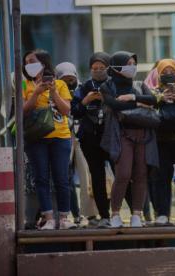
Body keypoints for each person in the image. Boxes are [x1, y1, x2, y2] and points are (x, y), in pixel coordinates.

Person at [100, 51, 159, 228]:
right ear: (117, 66)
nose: (132, 67)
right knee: (123, 174)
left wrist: (133, 97)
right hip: (121, 135)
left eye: (134, 63)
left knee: (141, 174)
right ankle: (115, 213)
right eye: (128, 63)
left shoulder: (140, 85)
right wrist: (139, 104)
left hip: (143, 135)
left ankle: (137, 214)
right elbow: (114, 104)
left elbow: (153, 100)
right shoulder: (107, 86)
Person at [22, 49, 77, 230]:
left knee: (62, 178)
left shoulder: (60, 84)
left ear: (43, 64)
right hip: (36, 138)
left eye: (32, 61)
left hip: (60, 137)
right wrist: (36, 93)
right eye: (26, 62)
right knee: (41, 178)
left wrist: (53, 92)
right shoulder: (24, 85)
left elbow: (66, 110)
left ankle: (64, 218)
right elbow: (23, 110)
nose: (28, 65)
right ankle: (48, 218)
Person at [71, 52, 113, 228]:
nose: (98, 71)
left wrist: (107, 99)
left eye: (102, 68)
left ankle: (128, 213)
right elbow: (74, 112)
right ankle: (104, 215)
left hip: (112, 137)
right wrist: (86, 100)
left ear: (108, 68)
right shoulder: (84, 87)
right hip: (90, 139)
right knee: (97, 177)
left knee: (122, 175)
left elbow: (122, 108)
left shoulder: (114, 85)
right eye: (94, 68)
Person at [149, 58, 175, 226]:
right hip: (159, 141)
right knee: (161, 178)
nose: (168, 75)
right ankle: (162, 214)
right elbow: (146, 109)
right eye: (164, 72)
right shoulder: (152, 92)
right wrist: (160, 98)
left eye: (172, 72)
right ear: (158, 74)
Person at [55, 62, 83, 224]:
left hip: (80, 138)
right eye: (64, 79)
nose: (68, 82)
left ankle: (86, 213)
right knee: (67, 177)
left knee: (85, 178)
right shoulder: (54, 91)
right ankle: (74, 212)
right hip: (62, 138)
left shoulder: (82, 90)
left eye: (71, 78)